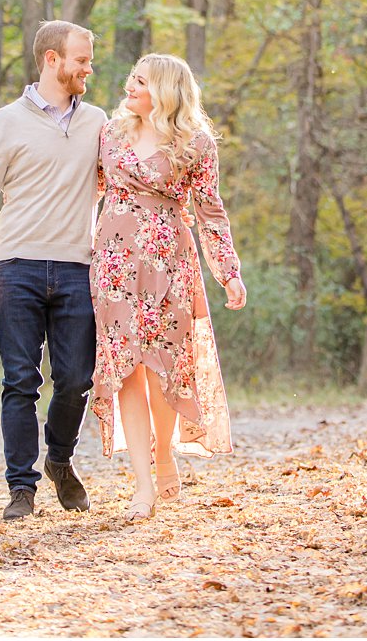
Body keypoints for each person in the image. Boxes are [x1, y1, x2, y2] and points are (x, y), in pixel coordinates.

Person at [90, 53, 246, 521]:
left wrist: (228, 271)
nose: (129, 87)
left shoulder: (195, 145)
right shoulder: (110, 134)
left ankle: (163, 455)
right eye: (131, 79)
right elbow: (86, 191)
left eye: (140, 81)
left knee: (164, 366)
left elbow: (210, 211)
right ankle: (142, 483)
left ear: (165, 91)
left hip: (168, 263)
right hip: (114, 262)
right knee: (125, 367)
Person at [0, 20, 106, 521]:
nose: (89, 67)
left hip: (76, 267)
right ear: (52, 59)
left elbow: (124, 180)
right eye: (81, 59)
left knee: (75, 379)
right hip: (15, 265)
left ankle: (60, 461)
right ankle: (20, 488)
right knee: (20, 379)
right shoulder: (6, 121)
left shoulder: (98, 122)